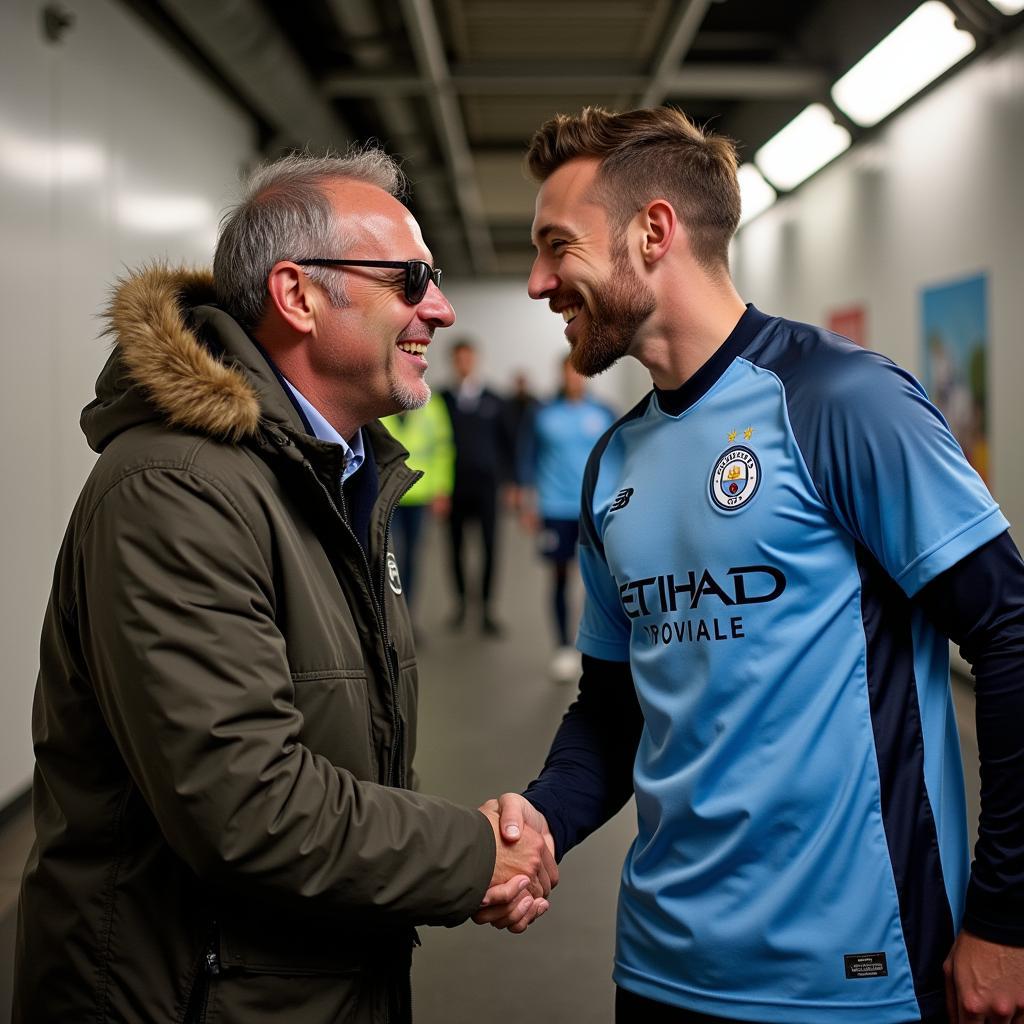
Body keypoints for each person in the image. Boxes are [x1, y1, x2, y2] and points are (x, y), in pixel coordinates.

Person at [477, 107, 1024, 1024]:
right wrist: (541, 823)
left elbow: (1009, 636)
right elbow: (612, 712)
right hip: (659, 972)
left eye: (555, 247)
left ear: (654, 232)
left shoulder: (840, 401)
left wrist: (1007, 913)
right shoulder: (613, 462)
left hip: (858, 978)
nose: (537, 283)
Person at [12, 149, 556, 1024]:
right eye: (410, 278)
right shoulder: (178, 489)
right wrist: (471, 855)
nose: (441, 309)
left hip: (302, 980)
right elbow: (245, 801)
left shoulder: (334, 479)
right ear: (298, 295)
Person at [519, 356, 616, 681]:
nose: (573, 378)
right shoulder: (544, 414)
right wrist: (528, 502)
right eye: (567, 372)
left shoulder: (602, 412)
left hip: (595, 508)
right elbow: (528, 458)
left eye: (578, 372)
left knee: (598, 580)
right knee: (560, 578)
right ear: (560, 376)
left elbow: (618, 457)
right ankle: (562, 646)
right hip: (555, 508)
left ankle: (598, 646)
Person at [440, 340, 515, 635]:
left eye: (468, 359)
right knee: (455, 547)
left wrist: (511, 484)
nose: (464, 364)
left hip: (486, 486)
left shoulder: (495, 400)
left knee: (489, 547)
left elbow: (507, 444)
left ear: (476, 361)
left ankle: (486, 610)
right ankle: (460, 605)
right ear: (453, 362)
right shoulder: (441, 399)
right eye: (458, 359)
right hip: (454, 486)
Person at [380, 392, 454, 614]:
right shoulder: (378, 402)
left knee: (412, 556)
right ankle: (385, 615)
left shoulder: (433, 406)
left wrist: (442, 489)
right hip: (386, 495)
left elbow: (443, 449)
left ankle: (406, 614)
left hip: (420, 494)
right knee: (385, 557)